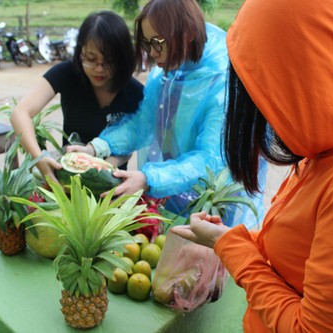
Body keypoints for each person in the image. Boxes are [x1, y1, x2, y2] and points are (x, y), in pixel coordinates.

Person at [171, 0, 333, 331]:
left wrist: (233, 248)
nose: (262, 110)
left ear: (304, 75)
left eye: (265, 89)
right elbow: (302, 255)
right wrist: (230, 238)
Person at [67, 0, 268, 229]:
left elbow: (211, 160)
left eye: (157, 42)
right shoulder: (167, 71)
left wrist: (149, 179)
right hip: (171, 198)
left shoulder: (223, 81)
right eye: (146, 43)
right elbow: (142, 125)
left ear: (186, 33)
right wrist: (97, 147)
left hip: (220, 212)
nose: (152, 52)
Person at [10, 10, 144, 181]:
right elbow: (20, 113)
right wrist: (39, 158)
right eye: (90, 58)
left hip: (112, 183)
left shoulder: (136, 93)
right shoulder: (66, 73)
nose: (99, 69)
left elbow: (129, 143)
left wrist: (104, 167)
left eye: (109, 61)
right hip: (66, 179)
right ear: (80, 52)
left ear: (123, 57)